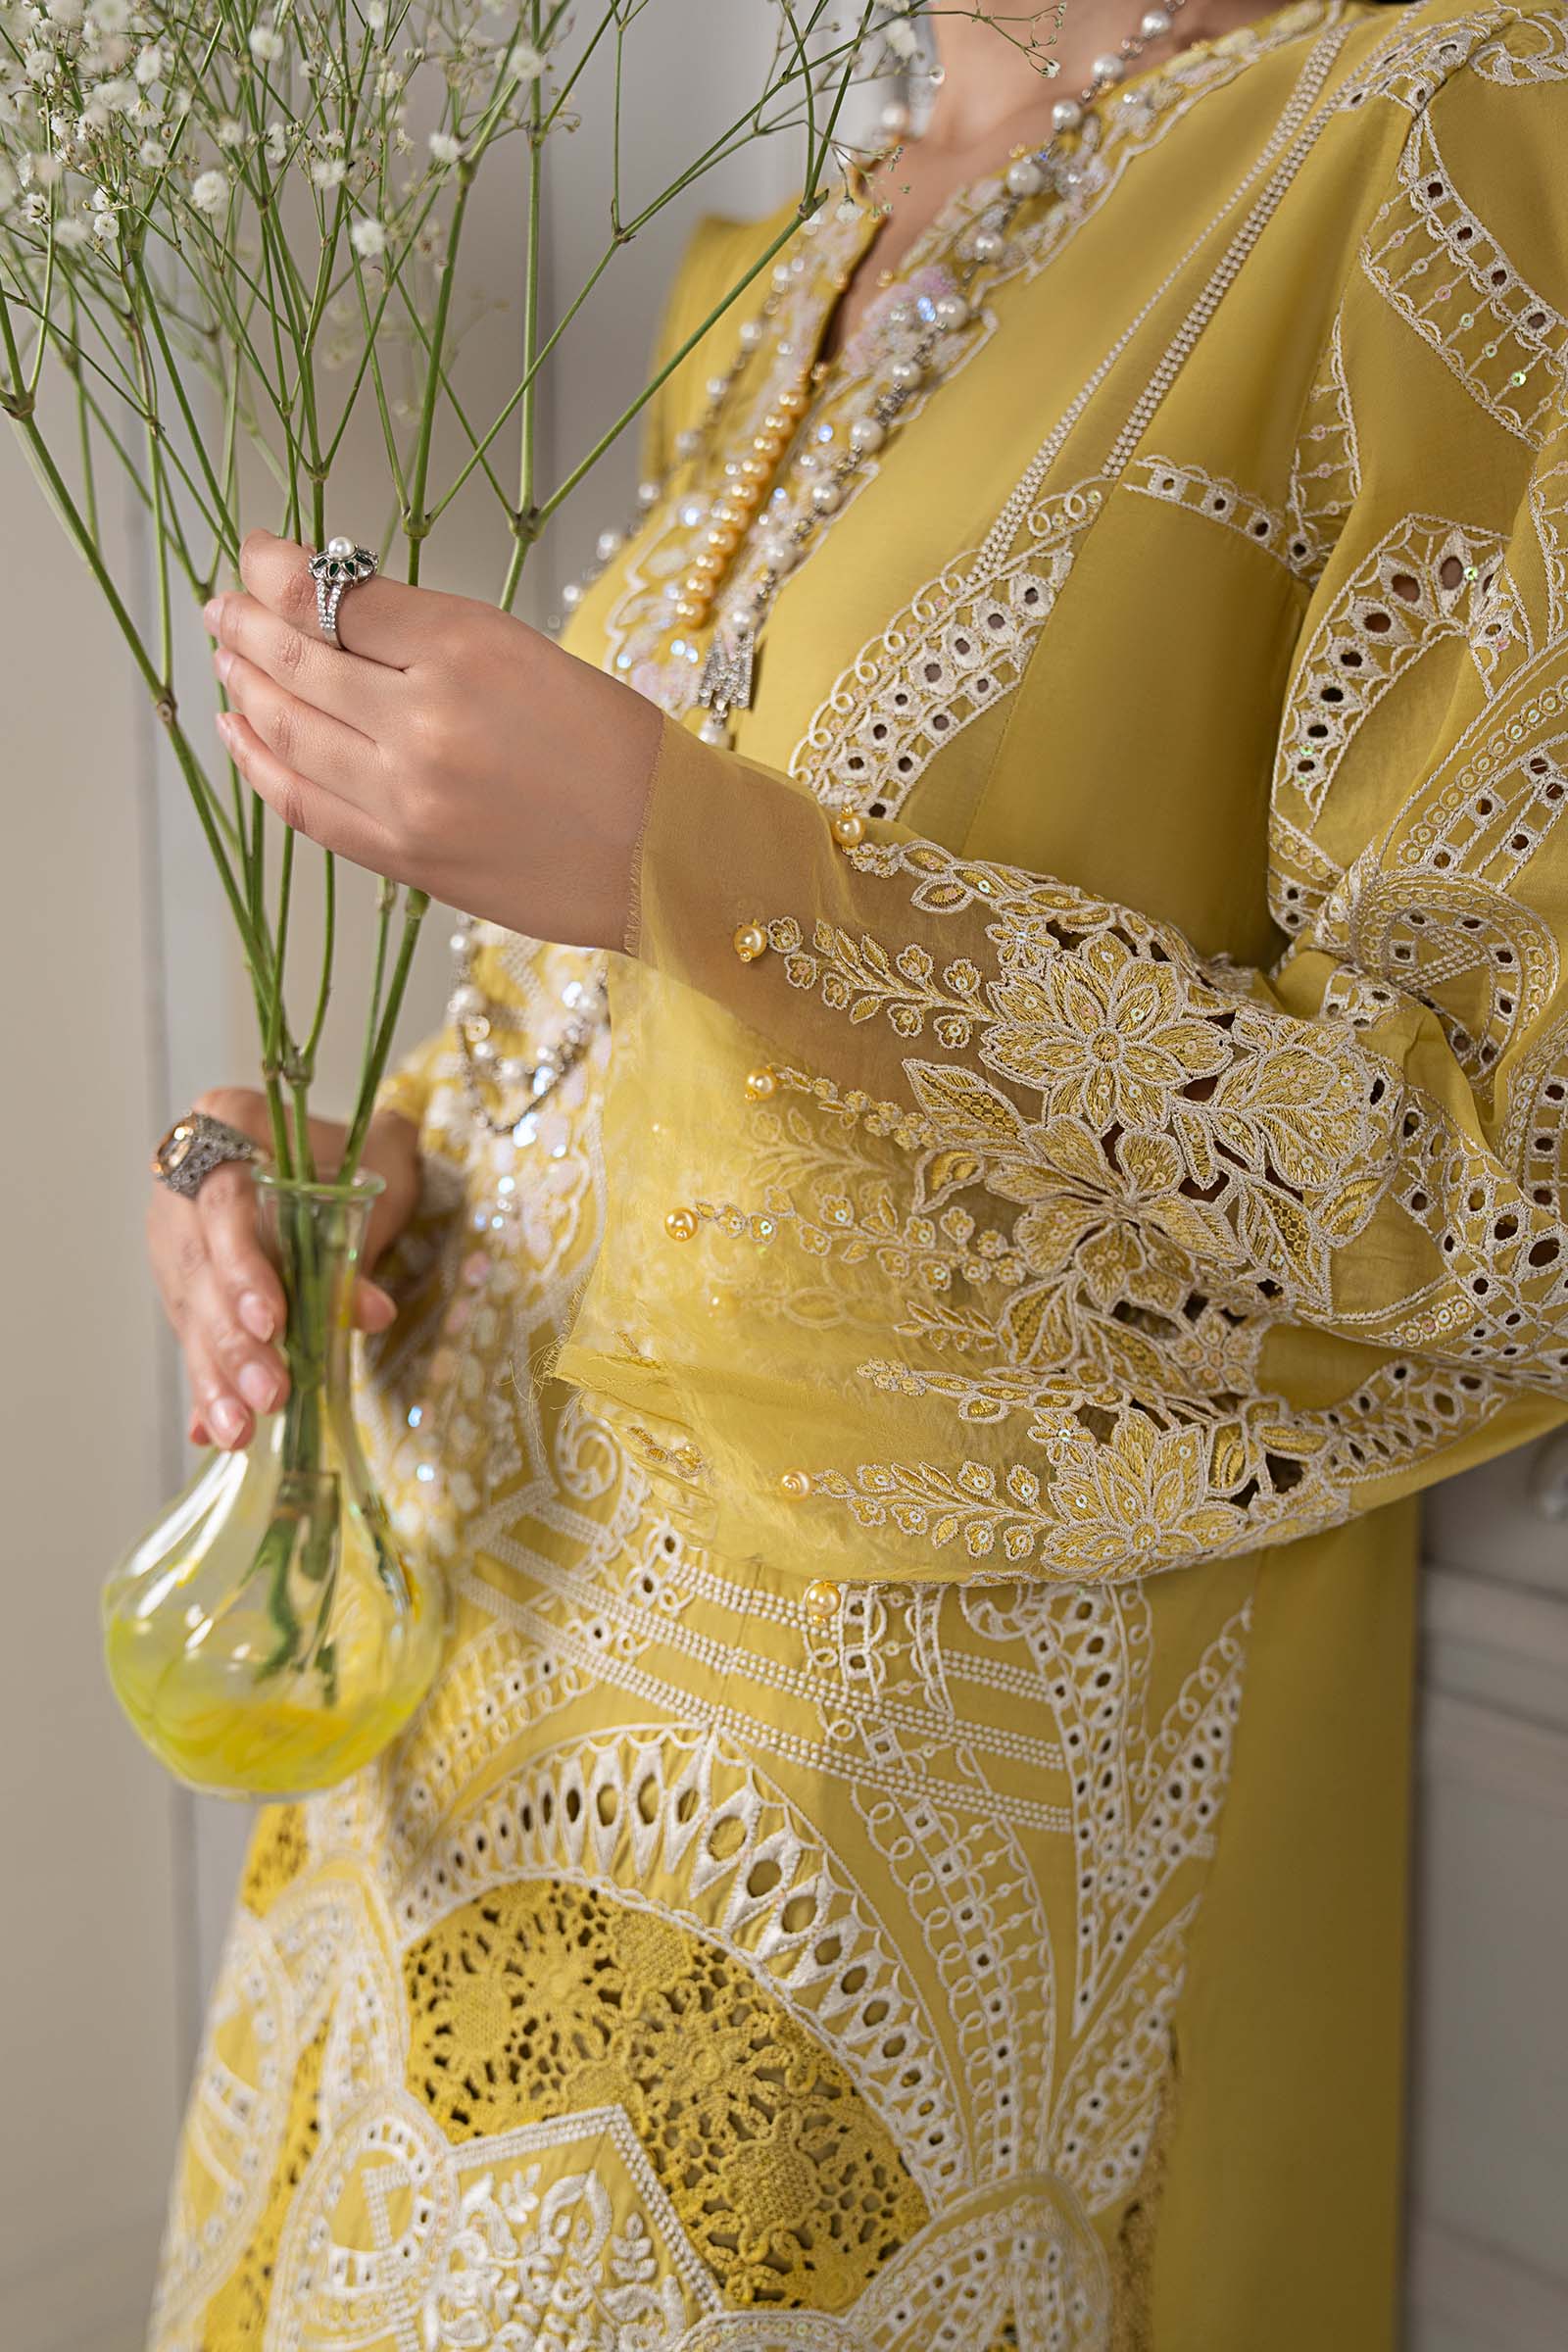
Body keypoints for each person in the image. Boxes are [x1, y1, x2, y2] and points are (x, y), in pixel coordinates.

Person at [145, 0, 1568, 2343]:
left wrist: (692, 859)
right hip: (439, 1723)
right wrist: (338, 1168)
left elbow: (1500, 1188)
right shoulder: (785, 248)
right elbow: (618, 1019)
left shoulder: (1442, 127)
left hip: (848, 1856)